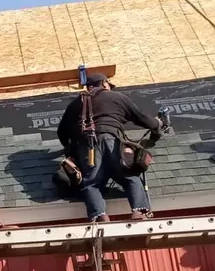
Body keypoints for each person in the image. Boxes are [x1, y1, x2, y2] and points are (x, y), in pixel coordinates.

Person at [57, 72, 166, 223]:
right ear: (104, 83)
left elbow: (62, 132)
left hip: (87, 148)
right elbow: (142, 119)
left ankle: (100, 216)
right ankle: (139, 212)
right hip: (111, 140)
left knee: (91, 183)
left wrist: (70, 149)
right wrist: (158, 124)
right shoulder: (116, 97)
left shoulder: (74, 104)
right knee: (128, 174)